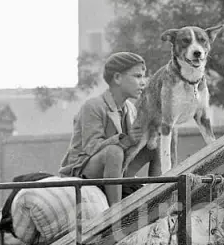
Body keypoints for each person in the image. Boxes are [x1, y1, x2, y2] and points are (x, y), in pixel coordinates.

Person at [59, 52, 161, 205]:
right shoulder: (93, 106)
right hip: (84, 169)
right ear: (118, 78)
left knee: (154, 146)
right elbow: (90, 147)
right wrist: (126, 141)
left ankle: (157, 199)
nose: (143, 82)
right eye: (137, 76)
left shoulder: (130, 108)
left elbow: (134, 143)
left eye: (143, 76)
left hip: (116, 167)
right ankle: (115, 213)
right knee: (114, 152)